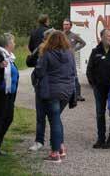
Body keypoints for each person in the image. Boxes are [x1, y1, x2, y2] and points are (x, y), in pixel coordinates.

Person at [35, 30, 76, 163]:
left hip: (52, 90)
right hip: (67, 91)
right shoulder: (70, 54)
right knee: (56, 119)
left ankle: (55, 153)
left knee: (54, 120)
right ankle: (61, 148)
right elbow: (73, 72)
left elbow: (40, 72)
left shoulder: (47, 54)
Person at [86, 29, 110, 149]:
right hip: (99, 89)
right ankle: (100, 139)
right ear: (102, 37)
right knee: (100, 114)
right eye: (109, 36)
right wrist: (93, 84)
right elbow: (89, 70)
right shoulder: (95, 51)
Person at [28, 28, 55, 152]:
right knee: (42, 115)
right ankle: (41, 141)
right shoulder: (41, 50)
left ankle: (55, 143)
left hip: (51, 87)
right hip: (43, 86)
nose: (43, 41)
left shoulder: (59, 52)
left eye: (45, 39)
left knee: (52, 116)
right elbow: (29, 61)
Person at [62, 18, 86, 102]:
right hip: (61, 59)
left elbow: (83, 43)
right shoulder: (60, 35)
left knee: (74, 76)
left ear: (71, 26)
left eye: (67, 24)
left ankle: (78, 95)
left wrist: (75, 49)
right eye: (64, 24)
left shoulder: (74, 36)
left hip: (71, 60)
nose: (65, 26)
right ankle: (64, 94)